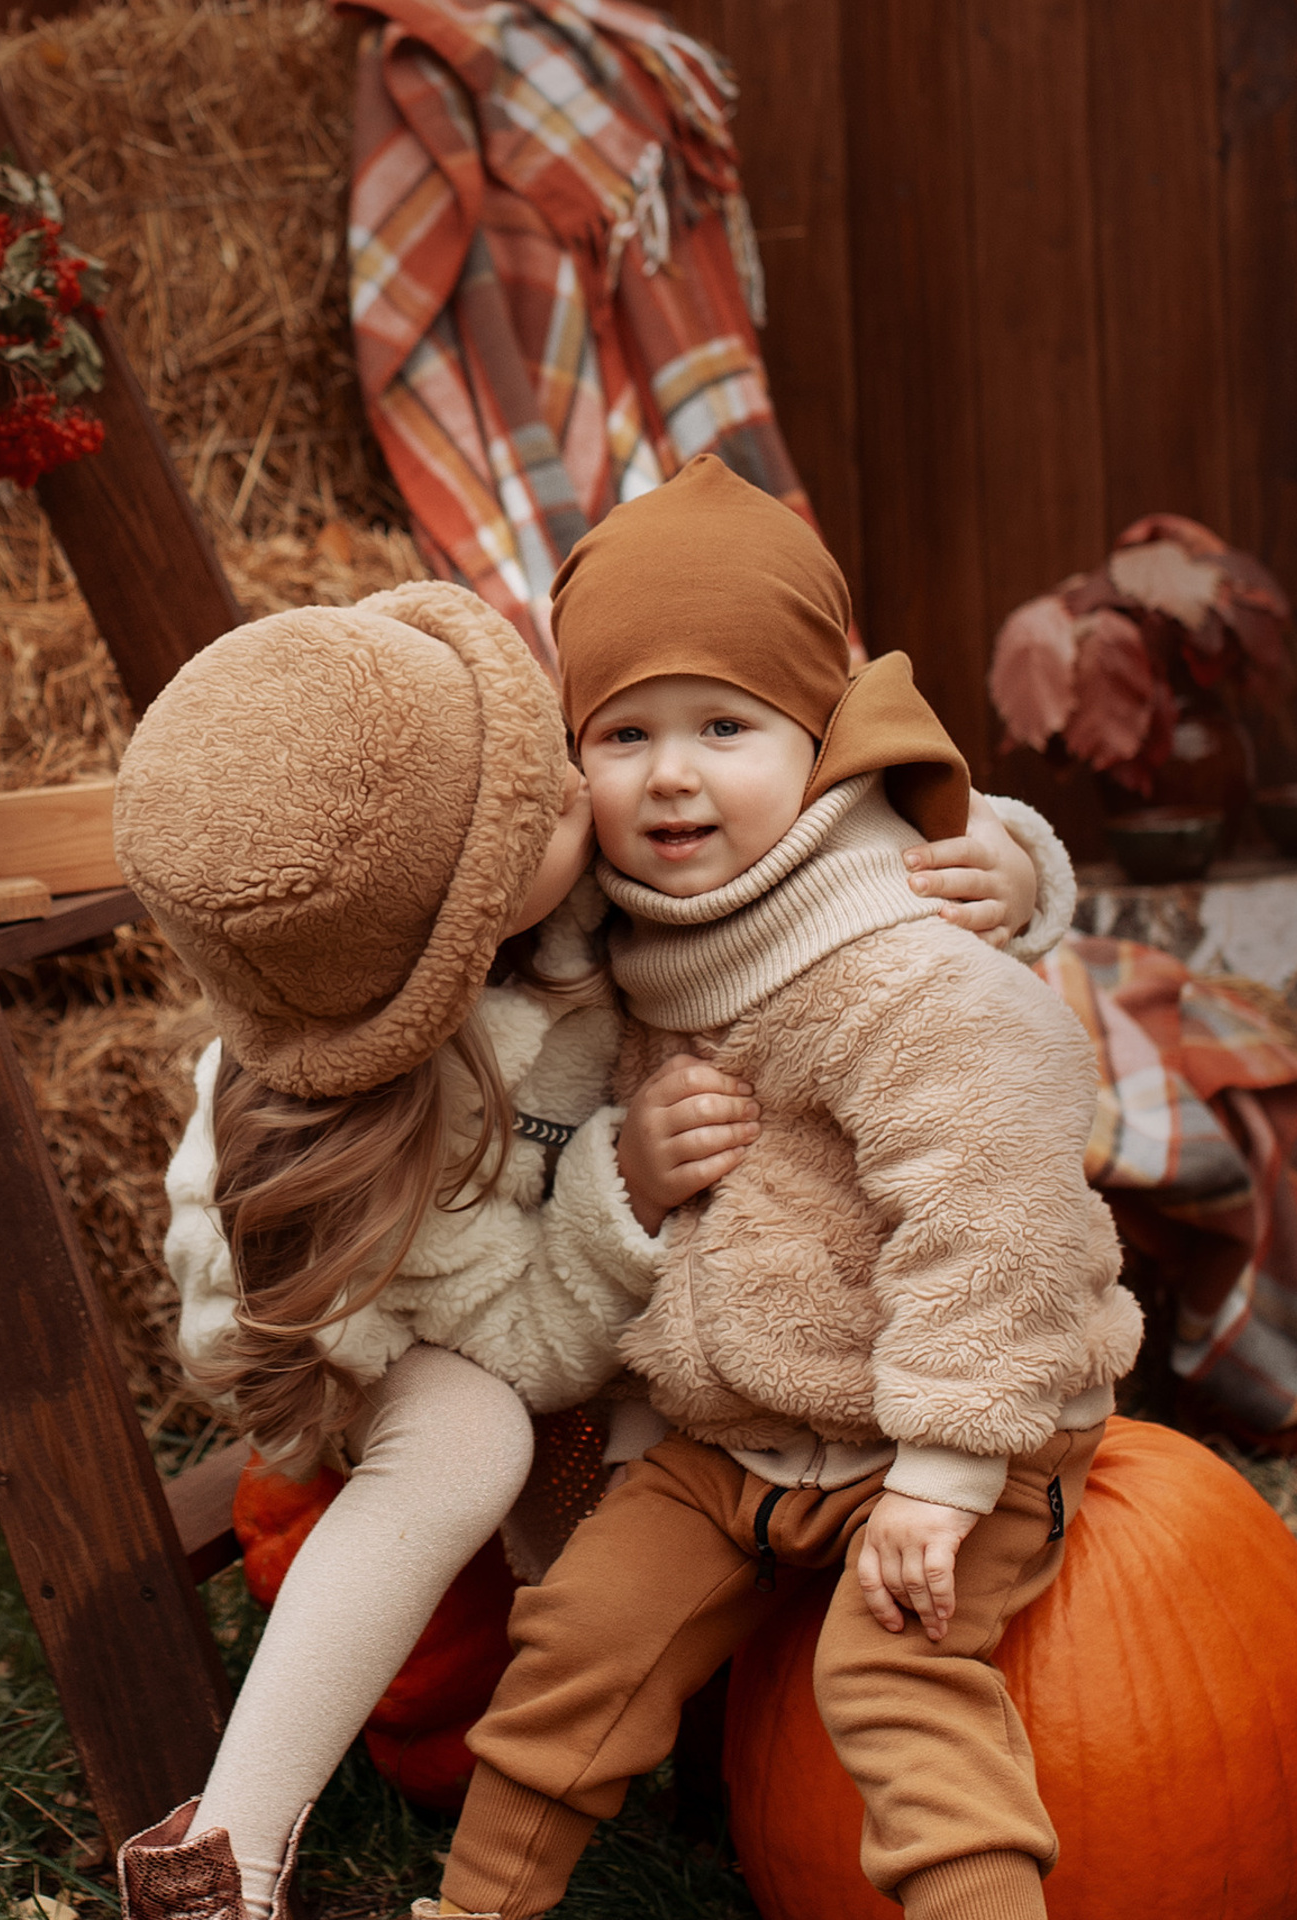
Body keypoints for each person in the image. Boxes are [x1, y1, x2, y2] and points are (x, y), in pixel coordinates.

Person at [110, 576, 1074, 1920]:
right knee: (475, 1445)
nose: (596, 783)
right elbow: (522, 1340)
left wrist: (1010, 862)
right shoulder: (399, 1115)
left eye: (561, 756)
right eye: (564, 793)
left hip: (643, 1323)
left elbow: (827, 799)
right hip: (385, 1316)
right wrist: (620, 1189)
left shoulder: (570, 841)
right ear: (471, 924)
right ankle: (226, 1850)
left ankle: (638, 1661)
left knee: (668, 1511)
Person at [415, 458, 1144, 1920]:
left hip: (950, 1421)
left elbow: (998, 1220)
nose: (669, 773)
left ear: (824, 746)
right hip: (744, 1433)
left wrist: (942, 1476)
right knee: (581, 1641)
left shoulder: (901, 966)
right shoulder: (642, 927)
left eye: (724, 727)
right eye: (622, 733)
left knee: (891, 1686)